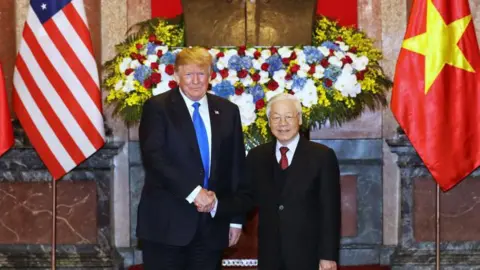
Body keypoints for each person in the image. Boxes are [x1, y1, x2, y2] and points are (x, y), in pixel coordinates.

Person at [136, 47, 246, 270]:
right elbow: (155, 158)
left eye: (201, 73)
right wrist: (195, 192)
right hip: (166, 228)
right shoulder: (157, 108)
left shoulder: (228, 111)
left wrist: (235, 218)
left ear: (211, 75)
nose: (196, 81)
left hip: (211, 228)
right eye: (188, 74)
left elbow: (236, 168)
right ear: (176, 76)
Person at [217, 93, 341, 270]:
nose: (282, 124)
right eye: (276, 118)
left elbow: (330, 211)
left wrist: (328, 256)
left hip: (309, 254)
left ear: (299, 119)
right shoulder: (257, 156)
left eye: (288, 117)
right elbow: (245, 196)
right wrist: (224, 210)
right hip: (270, 253)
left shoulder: (322, 156)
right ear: (269, 122)